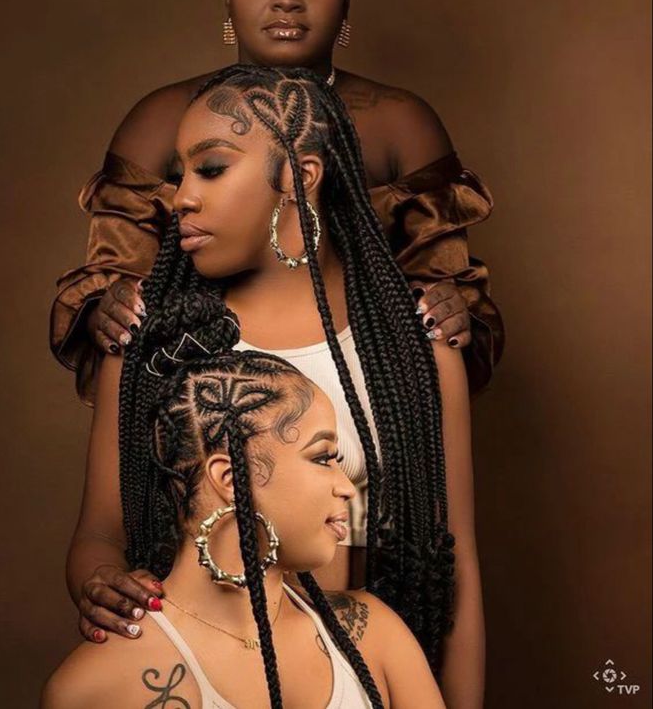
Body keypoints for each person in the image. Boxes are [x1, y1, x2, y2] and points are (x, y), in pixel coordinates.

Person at [67, 66, 484, 707]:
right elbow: (100, 532)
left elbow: (455, 571)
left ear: (299, 177)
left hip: (378, 679)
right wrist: (103, 584)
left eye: (209, 169)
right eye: (179, 174)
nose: (179, 197)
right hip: (203, 676)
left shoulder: (414, 345)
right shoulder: (153, 339)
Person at [50, 0, 503, 409]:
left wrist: (448, 302)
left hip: (364, 396)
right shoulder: (162, 120)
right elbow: (115, 271)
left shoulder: (400, 123)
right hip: (205, 397)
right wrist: (107, 304)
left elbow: (446, 284)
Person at [42, 330, 447, 708]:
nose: (346, 487)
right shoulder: (94, 688)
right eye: (323, 457)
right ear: (231, 478)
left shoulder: (376, 637)